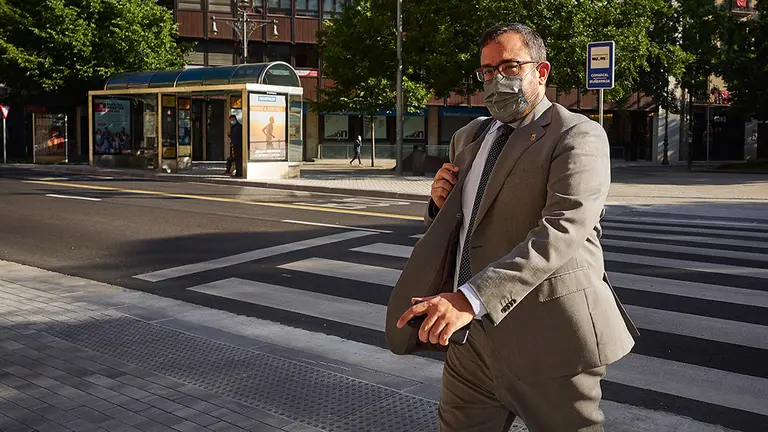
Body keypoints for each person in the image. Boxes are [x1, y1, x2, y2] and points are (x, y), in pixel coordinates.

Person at [386, 23, 637, 431]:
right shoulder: (469, 136)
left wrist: (469, 298)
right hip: (473, 343)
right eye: (487, 71)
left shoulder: (577, 135)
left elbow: (561, 232)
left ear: (541, 71)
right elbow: (465, 227)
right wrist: (438, 205)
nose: (497, 79)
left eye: (509, 66)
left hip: (550, 340)